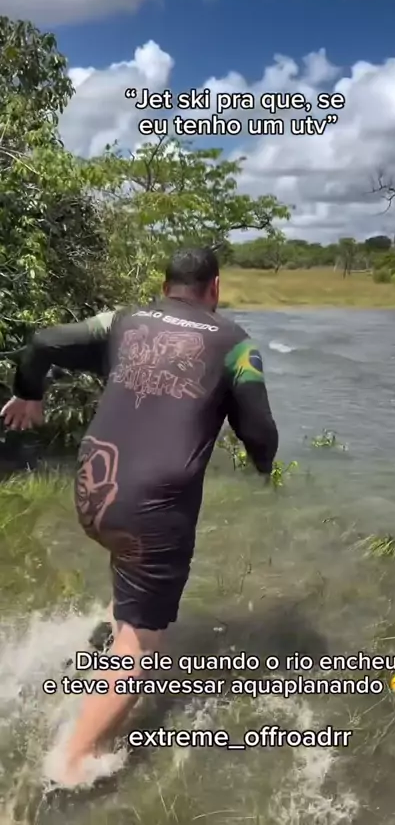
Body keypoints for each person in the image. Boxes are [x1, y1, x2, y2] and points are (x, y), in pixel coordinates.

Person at [0, 246, 278, 786]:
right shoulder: (237, 345)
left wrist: (28, 394)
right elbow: (260, 431)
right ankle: (69, 766)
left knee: (125, 560)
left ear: (165, 285)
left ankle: (110, 638)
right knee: (145, 646)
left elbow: (45, 341)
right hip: (151, 511)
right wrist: (263, 468)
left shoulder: (122, 322)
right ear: (215, 288)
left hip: (92, 491)